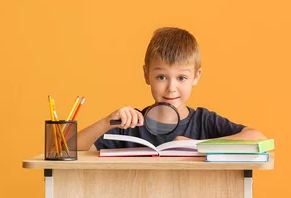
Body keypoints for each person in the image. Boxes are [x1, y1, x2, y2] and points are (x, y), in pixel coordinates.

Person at [77, 27, 266, 151]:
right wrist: (106, 122)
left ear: (196, 76)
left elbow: (258, 139)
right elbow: (65, 150)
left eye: (181, 78)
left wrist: (196, 145)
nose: (171, 88)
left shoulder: (204, 122)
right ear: (146, 75)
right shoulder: (129, 124)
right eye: (161, 77)